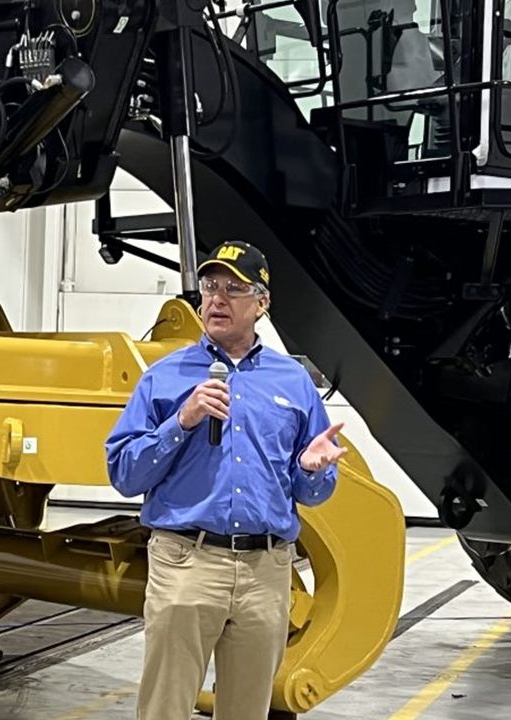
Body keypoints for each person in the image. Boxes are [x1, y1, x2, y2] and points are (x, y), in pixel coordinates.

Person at [105, 240, 347, 720]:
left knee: (247, 710)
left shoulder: (293, 383)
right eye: (210, 286)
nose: (216, 299)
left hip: (266, 572)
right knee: (165, 708)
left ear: (262, 303)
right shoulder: (164, 377)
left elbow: (312, 492)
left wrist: (312, 470)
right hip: (186, 564)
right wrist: (183, 421)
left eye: (234, 289)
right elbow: (125, 474)